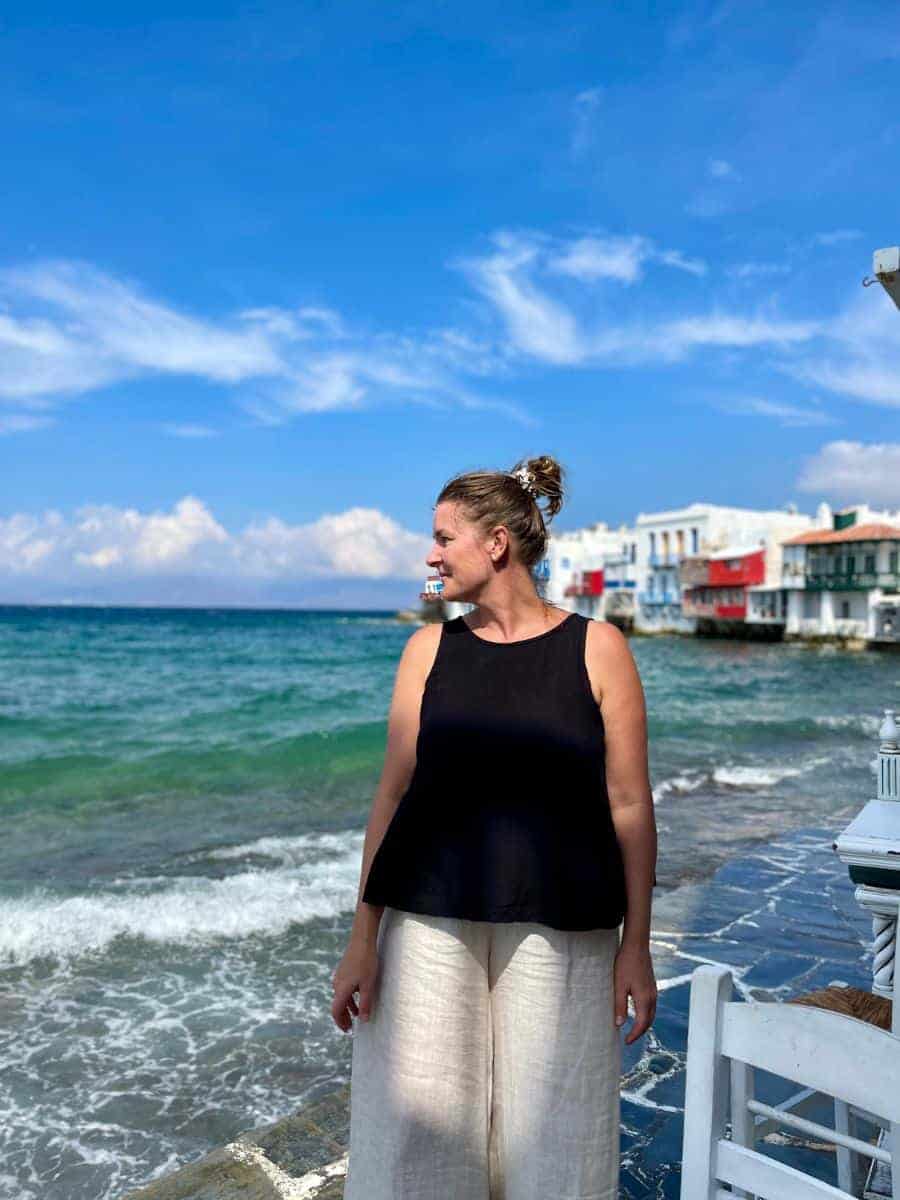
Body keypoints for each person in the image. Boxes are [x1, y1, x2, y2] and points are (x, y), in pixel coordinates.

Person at [332, 455, 658, 1199]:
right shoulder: (425, 651)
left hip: (563, 926)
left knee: (557, 1140)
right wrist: (361, 940)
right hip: (424, 922)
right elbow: (392, 796)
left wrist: (635, 945)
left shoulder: (599, 648)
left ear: (498, 545)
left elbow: (631, 808)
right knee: (416, 1140)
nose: (430, 552)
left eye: (444, 536)